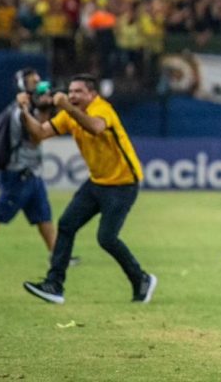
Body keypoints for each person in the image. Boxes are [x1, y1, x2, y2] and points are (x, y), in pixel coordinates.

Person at [17, 74, 156, 305]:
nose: (72, 95)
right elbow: (39, 134)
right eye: (70, 91)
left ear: (92, 94)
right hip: (97, 182)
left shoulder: (103, 109)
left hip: (123, 184)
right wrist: (24, 109)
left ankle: (141, 279)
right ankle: (54, 285)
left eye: (78, 92)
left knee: (107, 238)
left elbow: (95, 127)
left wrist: (66, 107)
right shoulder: (70, 113)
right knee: (66, 224)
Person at [0, 69, 59, 266]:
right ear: (23, 86)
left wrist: (44, 109)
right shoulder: (20, 112)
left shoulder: (29, 109)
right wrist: (46, 111)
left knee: (43, 216)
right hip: (18, 174)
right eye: (34, 82)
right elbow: (36, 137)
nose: (40, 86)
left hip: (31, 173)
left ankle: (57, 256)